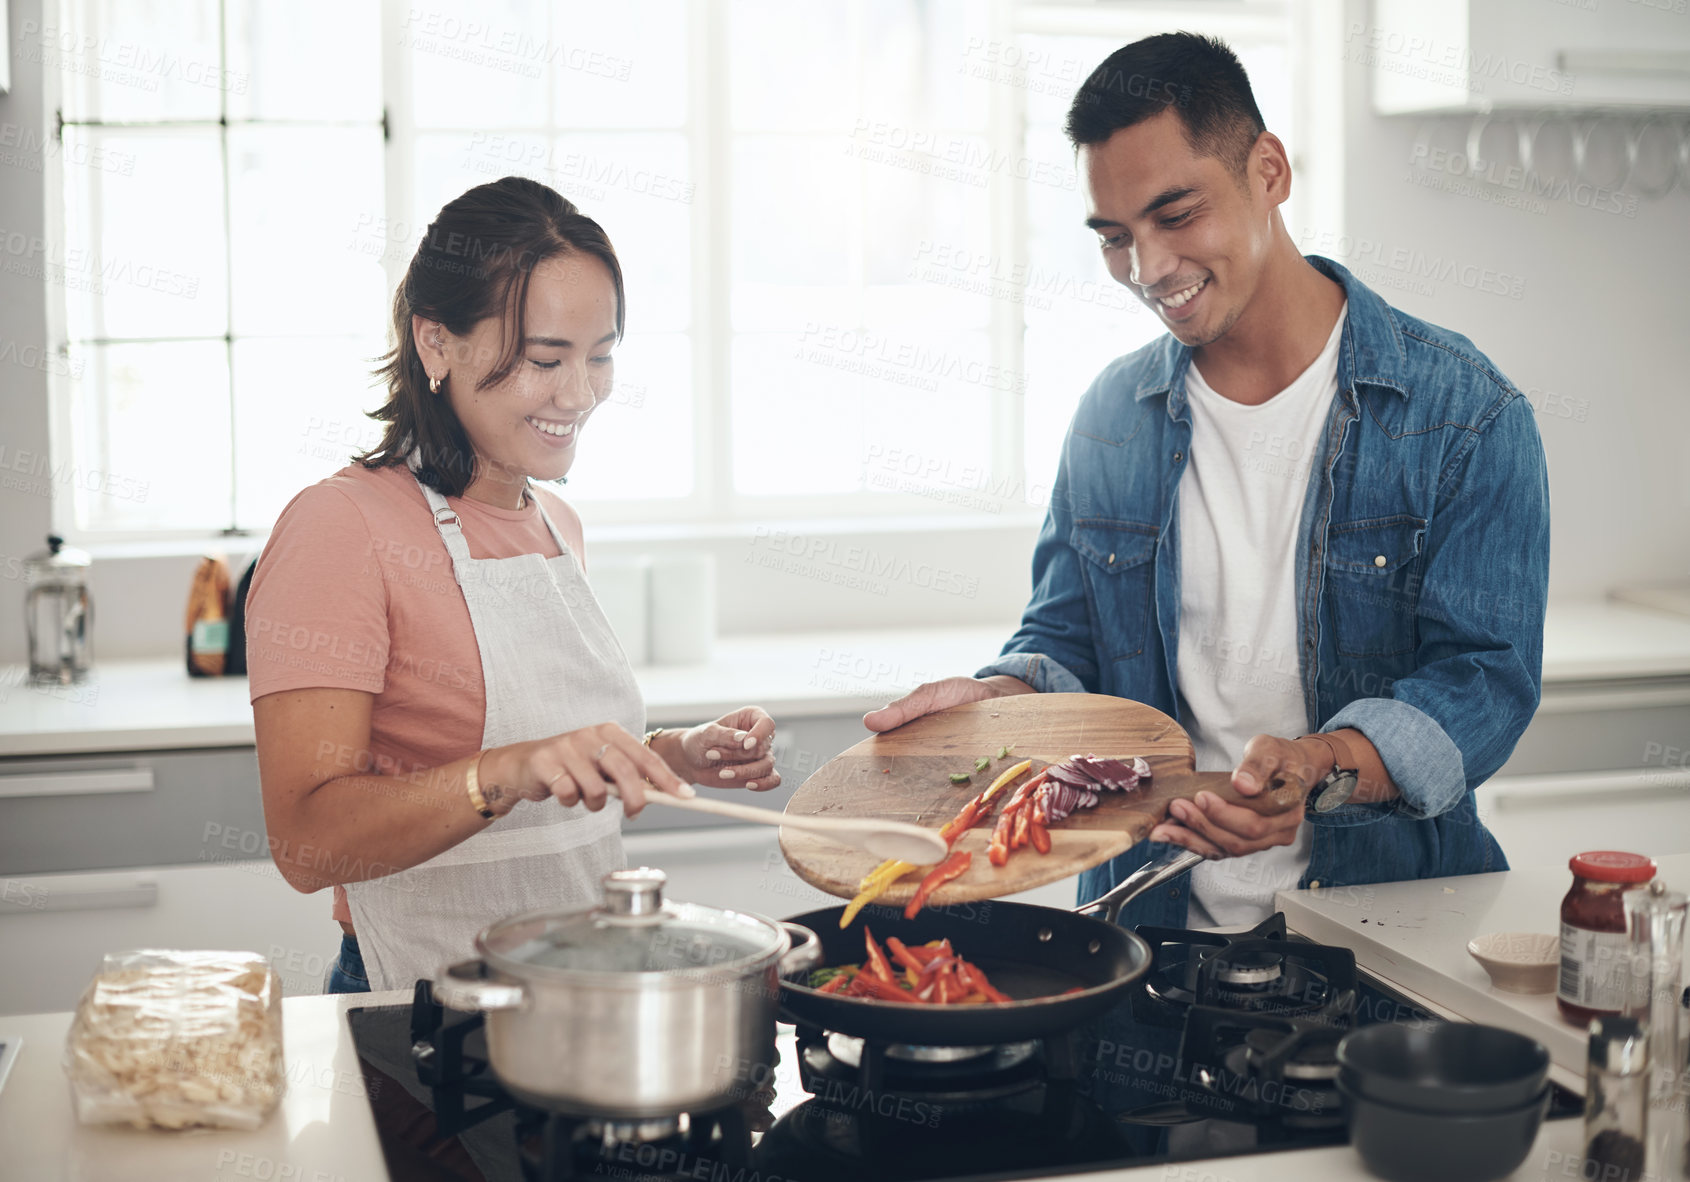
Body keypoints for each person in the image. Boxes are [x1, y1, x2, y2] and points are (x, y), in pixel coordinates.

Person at [865, 33, 1550, 932]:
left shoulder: (1466, 414)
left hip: (1391, 935)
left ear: (1269, 171)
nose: (1147, 270)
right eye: (1116, 237)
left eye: (1176, 215)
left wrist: (1321, 765)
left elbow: (1484, 683)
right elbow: (1068, 641)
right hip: (1147, 935)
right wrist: (999, 704)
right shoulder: (1114, 415)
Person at [246, 176, 780, 993]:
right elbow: (305, 843)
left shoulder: (556, 524)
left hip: (576, 988)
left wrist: (673, 753)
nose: (580, 394)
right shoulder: (341, 527)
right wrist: (508, 769)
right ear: (436, 343)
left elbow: (557, 759)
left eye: (601, 357)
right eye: (544, 359)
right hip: (420, 1007)